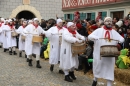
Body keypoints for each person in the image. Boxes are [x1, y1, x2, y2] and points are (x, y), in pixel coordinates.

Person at [88, 17, 124, 86]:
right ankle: (95, 79)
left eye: (110, 21)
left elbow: (121, 38)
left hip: (110, 55)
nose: (109, 22)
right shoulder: (99, 30)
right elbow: (90, 36)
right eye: (107, 21)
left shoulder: (114, 32)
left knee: (109, 69)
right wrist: (94, 37)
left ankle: (109, 84)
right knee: (98, 67)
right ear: (104, 22)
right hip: (99, 54)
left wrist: (121, 41)